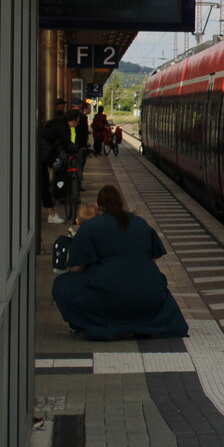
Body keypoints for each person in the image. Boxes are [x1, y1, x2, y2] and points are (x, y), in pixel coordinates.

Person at [51, 185, 189, 340]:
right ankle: (145, 323)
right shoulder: (140, 223)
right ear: (121, 202)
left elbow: (76, 268)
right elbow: (152, 258)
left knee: (62, 284)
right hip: (148, 299)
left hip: (112, 301)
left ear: (99, 206)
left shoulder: (90, 227)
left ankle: (89, 324)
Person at [41, 110, 84, 223]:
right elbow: (67, 144)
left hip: (42, 156)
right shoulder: (63, 127)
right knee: (44, 184)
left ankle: (51, 212)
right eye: (77, 121)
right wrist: (76, 148)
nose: (78, 124)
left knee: (43, 184)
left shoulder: (59, 123)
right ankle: (51, 214)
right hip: (42, 157)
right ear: (73, 120)